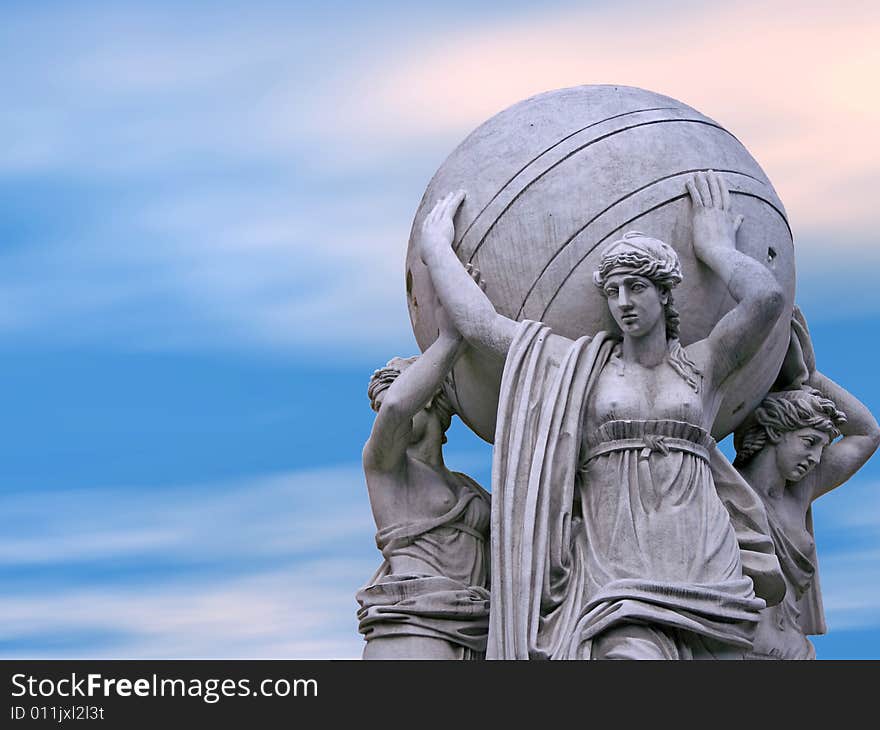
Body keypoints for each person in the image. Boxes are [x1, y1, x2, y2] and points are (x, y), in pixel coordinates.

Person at [419, 171, 785, 659]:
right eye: (613, 291)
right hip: (616, 572)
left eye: (636, 287)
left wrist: (715, 246)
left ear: (664, 293)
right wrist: (436, 249)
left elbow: (767, 299)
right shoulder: (581, 368)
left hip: (705, 563)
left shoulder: (705, 365)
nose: (623, 303)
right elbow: (483, 327)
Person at [357, 276, 491, 660]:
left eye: (389, 395)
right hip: (412, 626)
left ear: (431, 398)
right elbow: (399, 408)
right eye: (378, 407)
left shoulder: (469, 490)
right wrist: (451, 337)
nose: (384, 412)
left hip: (475, 632)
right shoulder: (384, 467)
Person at [734, 309, 880, 659]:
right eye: (809, 442)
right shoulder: (723, 488)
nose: (816, 459)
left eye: (821, 447)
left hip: (795, 648)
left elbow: (868, 433)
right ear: (775, 430)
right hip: (742, 649)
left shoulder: (798, 492)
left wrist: (811, 376)